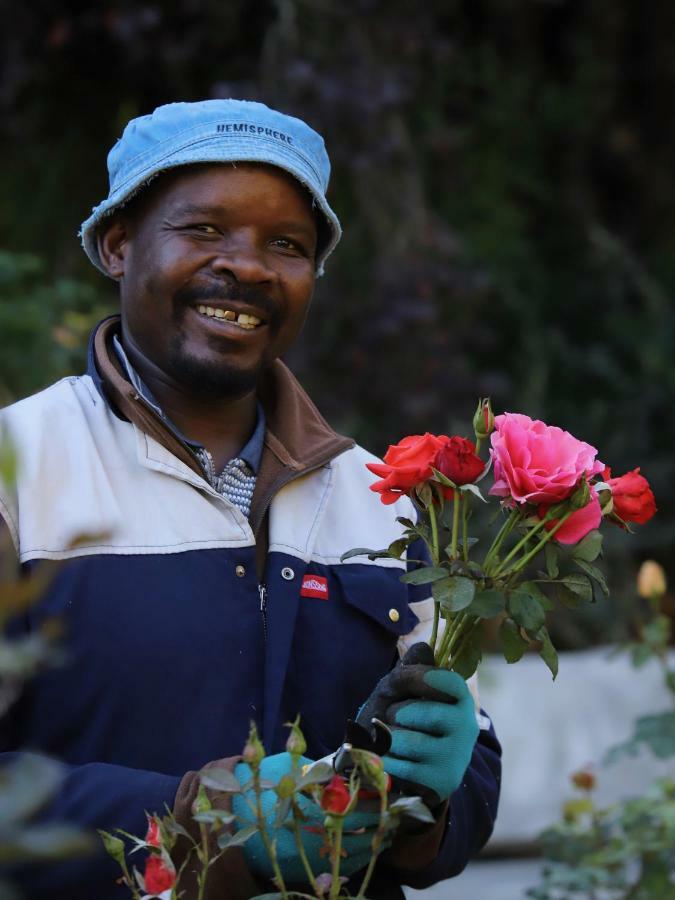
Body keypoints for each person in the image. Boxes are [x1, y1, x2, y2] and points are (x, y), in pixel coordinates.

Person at [0, 99, 500, 899]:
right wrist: (206, 825)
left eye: (287, 245)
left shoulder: (382, 500)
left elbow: (464, 775)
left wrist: (440, 786)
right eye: (203, 230)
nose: (251, 266)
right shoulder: (19, 477)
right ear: (118, 245)